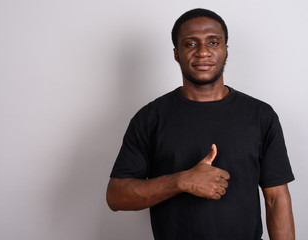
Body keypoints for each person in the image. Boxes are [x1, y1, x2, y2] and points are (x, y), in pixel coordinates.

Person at [106, 8, 295, 240]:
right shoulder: (150, 118)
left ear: (226, 50)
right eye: (190, 44)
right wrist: (182, 180)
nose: (203, 52)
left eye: (214, 42)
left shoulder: (260, 115)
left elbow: (276, 198)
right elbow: (116, 196)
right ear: (176, 53)